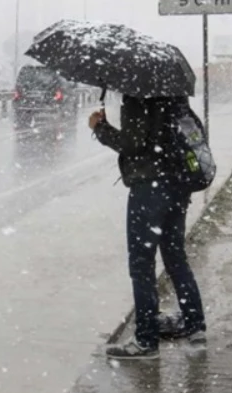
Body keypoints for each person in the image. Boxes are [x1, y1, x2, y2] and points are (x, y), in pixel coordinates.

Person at [89, 94, 207, 358]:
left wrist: (100, 128)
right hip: (178, 186)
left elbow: (132, 144)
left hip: (150, 189)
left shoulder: (137, 99)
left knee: (141, 264)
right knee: (176, 257)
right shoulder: (175, 98)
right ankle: (194, 325)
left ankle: (145, 340)